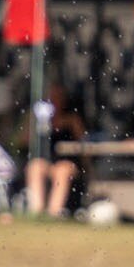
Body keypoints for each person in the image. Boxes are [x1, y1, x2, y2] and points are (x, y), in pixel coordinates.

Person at [24, 87, 86, 216]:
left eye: (57, 98)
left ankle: (54, 212)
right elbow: (23, 141)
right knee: (35, 167)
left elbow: (83, 144)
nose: (54, 102)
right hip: (46, 161)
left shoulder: (72, 119)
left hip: (67, 161)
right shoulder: (38, 118)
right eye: (51, 99)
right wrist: (36, 123)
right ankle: (36, 210)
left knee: (62, 170)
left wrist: (64, 124)